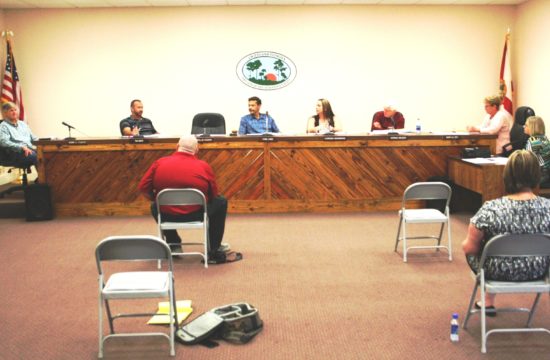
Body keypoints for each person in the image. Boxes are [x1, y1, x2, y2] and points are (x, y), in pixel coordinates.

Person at [462, 150, 550, 314]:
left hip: (496, 273)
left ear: (507, 175)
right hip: (539, 271)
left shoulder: (491, 209)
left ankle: (487, 301)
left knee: (481, 246)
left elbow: (469, 249)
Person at [138, 135, 234, 263]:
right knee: (221, 202)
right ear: (197, 149)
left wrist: (155, 198)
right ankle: (213, 247)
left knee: (155, 206)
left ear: (177, 147)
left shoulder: (159, 163)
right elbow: (213, 195)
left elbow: (143, 188)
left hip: (167, 215)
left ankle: (174, 244)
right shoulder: (203, 166)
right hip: (197, 215)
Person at [0, 101, 38, 168]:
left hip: (30, 149)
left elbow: (33, 138)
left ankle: (46, 178)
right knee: (37, 157)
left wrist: (45, 142)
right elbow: (4, 142)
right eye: (11, 110)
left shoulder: (23, 124)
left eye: (15, 110)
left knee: (47, 154)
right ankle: (42, 177)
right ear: (5, 113)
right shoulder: (3, 126)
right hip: (16, 152)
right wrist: (21, 147)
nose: (14, 112)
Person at [524, 116, 550, 186]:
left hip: (540, 175)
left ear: (532, 127)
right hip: (547, 174)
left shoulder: (532, 141)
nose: (524, 127)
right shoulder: (544, 138)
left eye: (526, 125)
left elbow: (528, 162)